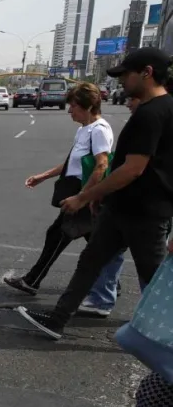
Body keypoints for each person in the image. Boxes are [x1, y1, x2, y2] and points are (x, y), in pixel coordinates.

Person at [16, 48, 173, 340]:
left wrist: (84, 196)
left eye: (126, 74)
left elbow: (132, 169)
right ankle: (57, 320)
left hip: (146, 213)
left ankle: (165, 336)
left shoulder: (153, 113)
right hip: (121, 208)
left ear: (147, 73)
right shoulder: (155, 110)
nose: (122, 81)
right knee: (89, 262)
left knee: (153, 277)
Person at [4, 83, 116, 297]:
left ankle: (33, 280)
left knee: (58, 235)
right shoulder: (84, 129)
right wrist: (43, 176)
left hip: (83, 193)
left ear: (89, 106)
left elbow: (101, 165)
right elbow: (71, 163)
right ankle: (110, 284)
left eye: (73, 106)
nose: (69, 111)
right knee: (95, 240)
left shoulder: (99, 130)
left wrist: (83, 197)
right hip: (77, 191)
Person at [77, 95, 142, 318]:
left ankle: (161, 313)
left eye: (134, 98)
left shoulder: (153, 121)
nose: (127, 103)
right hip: (118, 202)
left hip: (145, 209)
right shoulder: (140, 123)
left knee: (150, 266)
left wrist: (85, 196)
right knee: (105, 253)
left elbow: (110, 165)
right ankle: (100, 298)